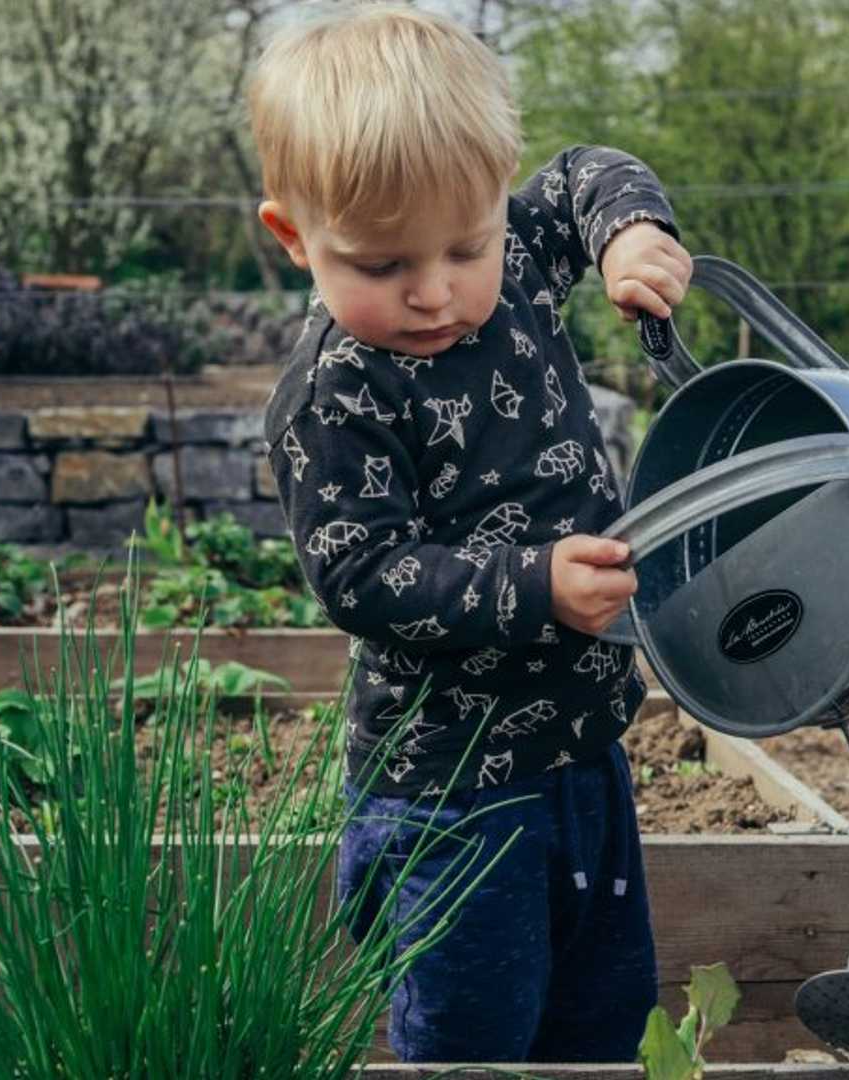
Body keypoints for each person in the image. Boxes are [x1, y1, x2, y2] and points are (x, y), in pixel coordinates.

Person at [248, 3, 693, 1063]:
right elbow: (361, 574)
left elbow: (588, 169)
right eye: (379, 264)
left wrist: (632, 230)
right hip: (451, 794)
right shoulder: (334, 394)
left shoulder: (523, 259)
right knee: (474, 1035)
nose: (435, 290)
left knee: (601, 1012)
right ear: (293, 237)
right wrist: (533, 585)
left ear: (498, 201)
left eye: (466, 243)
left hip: (586, 748)